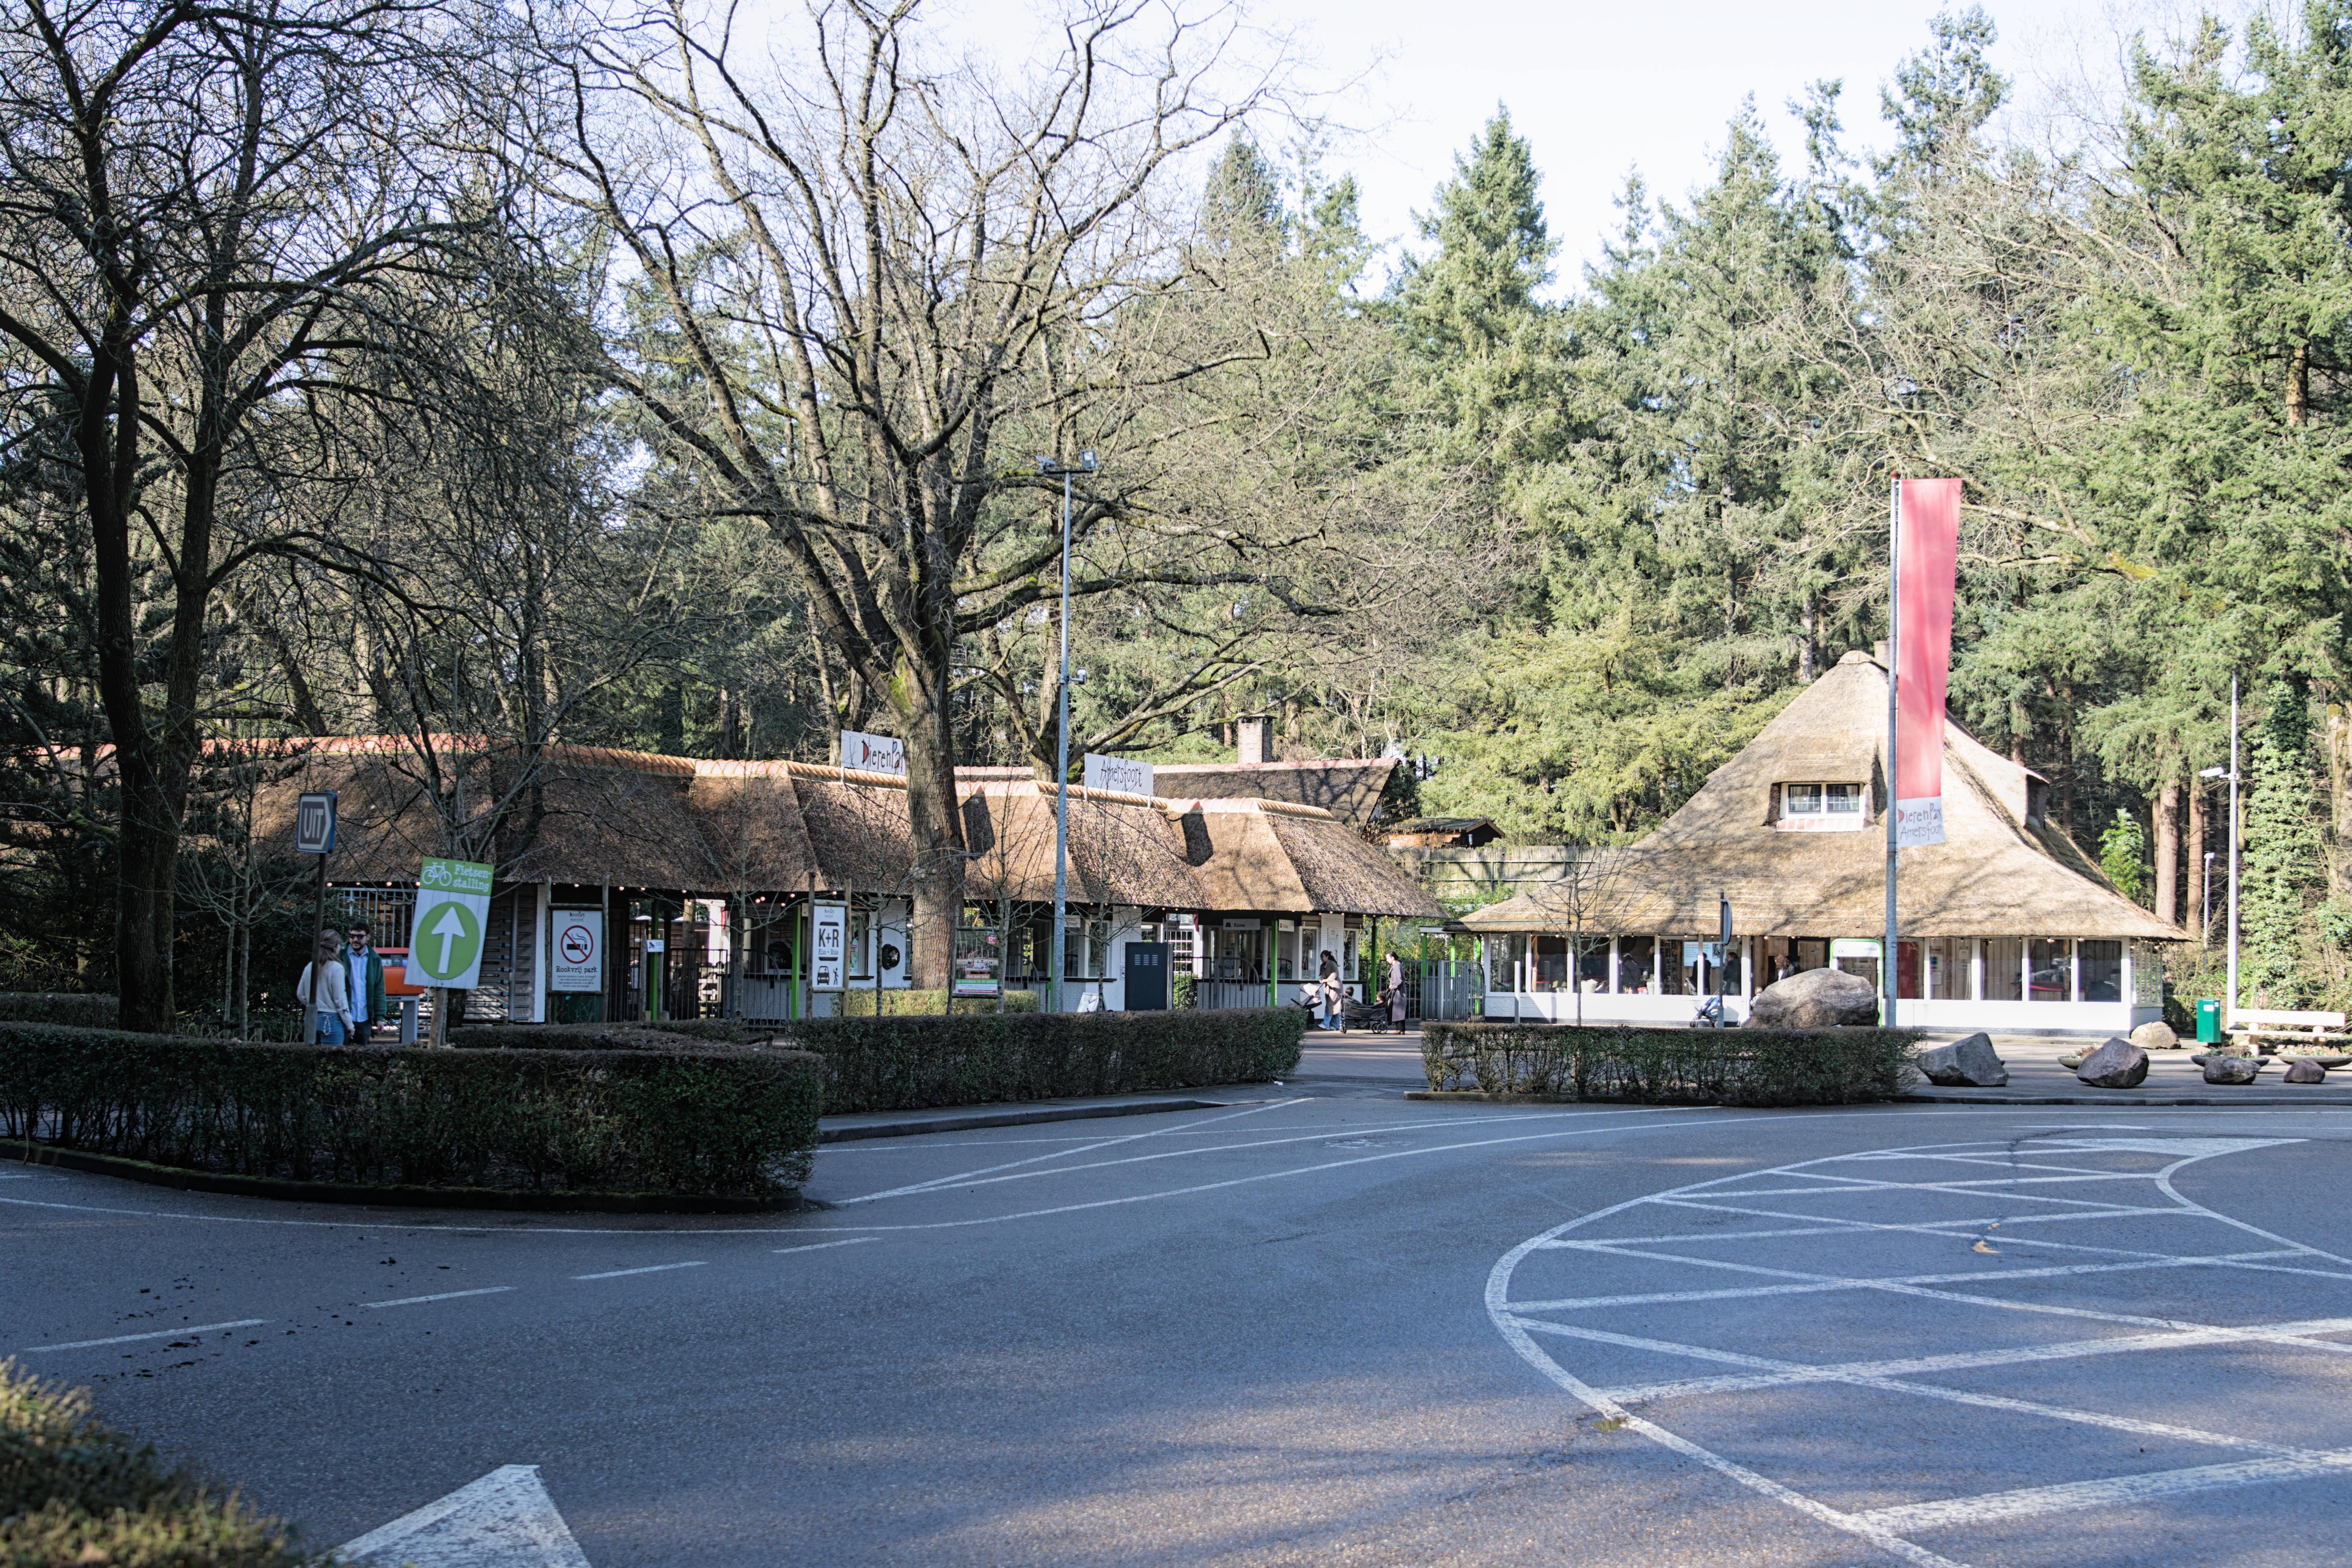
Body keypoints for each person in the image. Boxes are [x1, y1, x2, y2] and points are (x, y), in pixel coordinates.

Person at [297, 929, 353, 1045]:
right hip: (331, 1019)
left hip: (311, 1019)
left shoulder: (310, 966)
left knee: (314, 1060)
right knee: (332, 1060)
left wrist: (314, 1003)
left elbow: (300, 994)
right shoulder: (337, 968)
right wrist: (350, 1024)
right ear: (336, 947)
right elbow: (340, 1001)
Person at [344, 921, 386, 1045]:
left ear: (368, 937)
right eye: (352, 936)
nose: (355, 940)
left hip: (364, 1017)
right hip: (345, 1016)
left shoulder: (374, 959)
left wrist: (379, 1018)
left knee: (362, 1057)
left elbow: (379, 989)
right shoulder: (341, 955)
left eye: (360, 936)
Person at [1317, 951, 1343, 1031]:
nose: (1321, 958)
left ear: (1327, 957)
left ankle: (1326, 1024)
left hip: (1335, 987)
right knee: (1335, 1006)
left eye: (1323, 957)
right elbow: (1321, 975)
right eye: (1321, 957)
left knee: (1330, 1005)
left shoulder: (1332, 964)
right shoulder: (1322, 966)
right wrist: (1321, 980)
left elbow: (1336, 974)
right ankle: (1337, 1025)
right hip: (1328, 987)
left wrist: (1327, 980)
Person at [1385, 950, 1407, 1033]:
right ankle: (1401, 1029)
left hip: (1399, 991)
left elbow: (1399, 980)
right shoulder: (1396, 965)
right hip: (1397, 990)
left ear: (1393, 958)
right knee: (1398, 1009)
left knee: (1398, 1009)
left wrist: (1393, 986)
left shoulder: (1397, 965)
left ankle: (1400, 1029)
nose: (1387, 960)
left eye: (1388, 958)